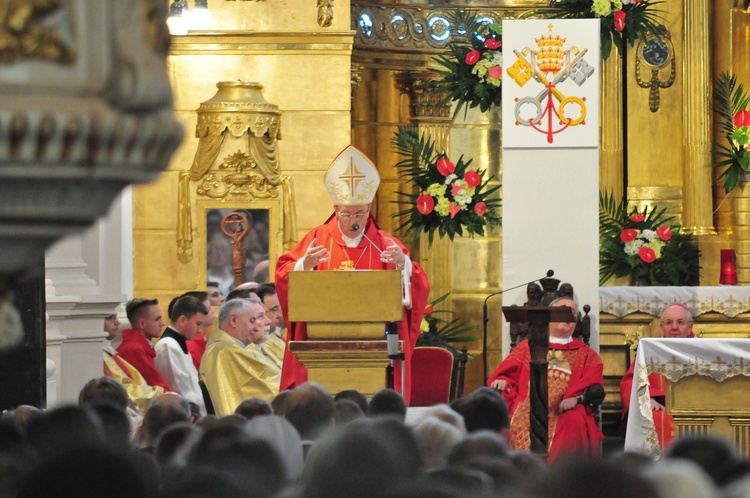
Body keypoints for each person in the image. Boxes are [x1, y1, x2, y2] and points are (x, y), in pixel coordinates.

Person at [275, 145, 430, 403]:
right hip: (323, 342)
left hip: (373, 346)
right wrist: (304, 265)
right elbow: (283, 273)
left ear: (369, 211)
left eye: (359, 213)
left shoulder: (384, 243)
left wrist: (403, 265)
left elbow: (419, 283)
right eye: (346, 214)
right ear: (336, 210)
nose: (352, 220)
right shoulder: (317, 238)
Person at [487, 297, 605, 461]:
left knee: (574, 421)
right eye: (563, 311)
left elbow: (594, 385)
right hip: (526, 405)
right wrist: (503, 380)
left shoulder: (587, 354)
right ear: (548, 317)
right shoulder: (527, 347)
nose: (568, 317)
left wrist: (577, 398)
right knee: (507, 416)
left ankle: (561, 479)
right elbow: (507, 373)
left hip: (564, 408)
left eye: (573, 314)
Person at [619, 303, 695, 449]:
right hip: (660, 408)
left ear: (690, 327)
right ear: (662, 327)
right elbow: (630, 382)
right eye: (669, 322)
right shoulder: (650, 350)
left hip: (694, 407)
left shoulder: (702, 350)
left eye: (680, 322)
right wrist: (648, 399)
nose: (674, 327)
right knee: (654, 417)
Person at [199, 299, 280, 415]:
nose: (256, 327)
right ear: (234, 320)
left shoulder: (233, 347)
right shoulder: (224, 351)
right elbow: (265, 391)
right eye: (252, 321)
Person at [155, 296, 209, 416]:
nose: (200, 330)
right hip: (185, 416)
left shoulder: (178, 344)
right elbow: (180, 391)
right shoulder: (167, 346)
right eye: (198, 324)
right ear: (182, 320)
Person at [102, 312, 164, 412]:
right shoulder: (133, 349)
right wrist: (160, 395)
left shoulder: (108, 350)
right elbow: (122, 389)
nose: (118, 323)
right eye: (111, 318)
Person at [116, 299, 170, 391]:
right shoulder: (134, 350)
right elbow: (156, 386)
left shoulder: (139, 347)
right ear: (142, 324)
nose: (162, 323)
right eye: (157, 319)